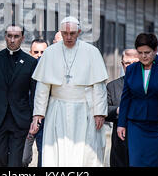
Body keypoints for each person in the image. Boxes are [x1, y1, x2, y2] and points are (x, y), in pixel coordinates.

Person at [29, 16, 108, 167]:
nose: (69, 37)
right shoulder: (50, 52)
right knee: (56, 150)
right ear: (60, 32)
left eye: (72, 33)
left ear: (79, 32)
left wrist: (99, 112)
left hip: (84, 109)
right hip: (57, 108)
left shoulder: (92, 52)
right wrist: (38, 113)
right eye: (65, 33)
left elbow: (99, 86)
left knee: (84, 152)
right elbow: (43, 86)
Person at [117, 33, 158, 167]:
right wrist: (121, 124)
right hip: (136, 126)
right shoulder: (131, 69)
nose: (144, 56)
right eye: (140, 53)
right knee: (136, 162)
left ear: (155, 50)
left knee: (157, 162)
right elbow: (126, 98)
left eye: (147, 52)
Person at [0, 24, 38, 167]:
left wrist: (34, 118)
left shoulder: (31, 62)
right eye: (9, 36)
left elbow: (35, 93)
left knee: (15, 162)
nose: (12, 40)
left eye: (16, 36)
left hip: (20, 119)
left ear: (22, 38)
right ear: (5, 36)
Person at [106, 48, 139, 167]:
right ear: (122, 65)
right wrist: (118, 110)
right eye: (127, 63)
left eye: (135, 63)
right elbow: (104, 110)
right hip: (120, 144)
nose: (130, 66)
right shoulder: (112, 86)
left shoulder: (151, 84)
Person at [22, 39, 48, 167]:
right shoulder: (24, 71)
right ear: (30, 53)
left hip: (46, 119)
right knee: (23, 158)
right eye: (36, 52)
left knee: (44, 157)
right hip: (26, 120)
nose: (39, 55)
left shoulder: (51, 72)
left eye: (43, 52)